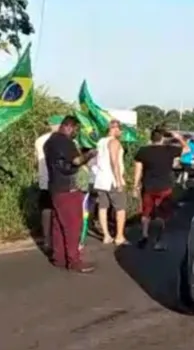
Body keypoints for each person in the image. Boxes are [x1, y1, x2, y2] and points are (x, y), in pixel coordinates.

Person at [43, 115, 97, 273]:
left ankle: (59, 258)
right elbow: (76, 161)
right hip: (68, 187)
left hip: (55, 186)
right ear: (69, 126)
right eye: (76, 129)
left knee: (59, 225)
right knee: (73, 226)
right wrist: (90, 154)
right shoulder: (65, 142)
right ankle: (74, 260)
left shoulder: (49, 142)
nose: (76, 133)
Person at [133, 127, 190, 250]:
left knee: (146, 212)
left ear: (151, 138)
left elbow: (138, 169)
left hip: (148, 185)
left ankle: (144, 235)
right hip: (165, 186)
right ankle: (159, 240)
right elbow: (187, 149)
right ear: (163, 139)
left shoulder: (143, 151)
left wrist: (135, 185)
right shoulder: (169, 150)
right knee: (163, 214)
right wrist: (178, 137)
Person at [93, 120, 129, 246]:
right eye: (120, 129)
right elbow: (114, 162)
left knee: (103, 207)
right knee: (120, 208)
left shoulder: (100, 142)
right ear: (115, 129)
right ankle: (119, 236)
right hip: (111, 179)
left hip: (101, 179)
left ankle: (106, 235)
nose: (121, 132)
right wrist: (118, 180)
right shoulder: (114, 142)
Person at [34, 115, 63, 251]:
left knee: (46, 208)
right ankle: (58, 238)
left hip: (44, 178)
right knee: (59, 209)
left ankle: (47, 239)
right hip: (59, 179)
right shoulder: (62, 140)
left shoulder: (39, 140)